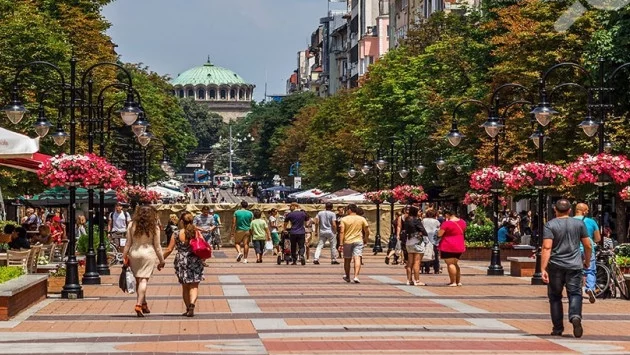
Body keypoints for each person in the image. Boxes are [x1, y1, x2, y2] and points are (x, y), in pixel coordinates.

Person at [542, 199, 592, 338]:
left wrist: (543, 268)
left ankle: (557, 328)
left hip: (556, 266)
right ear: (570, 210)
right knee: (575, 293)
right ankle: (575, 316)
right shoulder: (579, 223)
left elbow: (547, 247)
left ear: (555, 210)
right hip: (575, 265)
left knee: (555, 296)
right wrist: (586, 261)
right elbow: (588, 245)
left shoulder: (550, 225)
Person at [122, 206, 165, 317]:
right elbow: (157, 246)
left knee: (138, 279)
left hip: (134, 253)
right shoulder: (154, 227)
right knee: (143, 280)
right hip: (148, 253)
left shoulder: (131, 225)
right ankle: (139, 304)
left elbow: (128, 243)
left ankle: (144, 303)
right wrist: (162, 260)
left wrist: (124, 256)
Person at [163, 211, 204, 317]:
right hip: (195, 259)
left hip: (182, 260)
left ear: (181, 221)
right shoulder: (196, 232)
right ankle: (192, 304)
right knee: (194, 285)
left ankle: (187, 308)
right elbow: (203, 245)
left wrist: (161, 260)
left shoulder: (176, 233)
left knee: (185, 286)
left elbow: (169, 249)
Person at [573, 203, 600, 304]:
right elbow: (598, 238)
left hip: (574, 250)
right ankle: (590, 288)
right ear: (583, 211)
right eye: (587, 210)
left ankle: (575, 291)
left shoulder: (570, 221)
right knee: (590, 270)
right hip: (588, 249)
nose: (588, 212)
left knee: (575, 271)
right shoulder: (591, 221)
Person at [339, 204, 369, 283]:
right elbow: (367, 230)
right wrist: (366, 239)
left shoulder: (344, 219)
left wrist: (341, 243)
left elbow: (342, 231)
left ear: (349, 210)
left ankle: (348, 276)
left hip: (347, 241)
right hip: (358, 240)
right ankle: (356, 276)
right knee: (357, 258)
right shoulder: (361, 219)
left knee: (347, 259)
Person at [437, 209, 466, 287]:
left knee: (450, 264)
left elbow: (440, 234)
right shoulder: (463, 222)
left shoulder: (446, 223)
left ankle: (453, 282)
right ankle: (458, 281)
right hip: (459, 244)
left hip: (448, 245)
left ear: (447, 215)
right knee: (455, 263)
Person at [404, 206, 428, 286]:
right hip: (417, 242)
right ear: (415, 212)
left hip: (409, 242)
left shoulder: (406, 220)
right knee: (417, 262)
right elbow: (424, 231)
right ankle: (417, 280)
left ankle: (409, 280)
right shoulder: (416, 220)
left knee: (409, 263)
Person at [422, 209, 441, 274]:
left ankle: (427, 268)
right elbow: (438, 230)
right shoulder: (436, 221)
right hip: (434, 239)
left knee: (426, 253)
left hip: (425, 239)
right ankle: (436, 269)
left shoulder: (424, 220)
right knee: (435, 254)